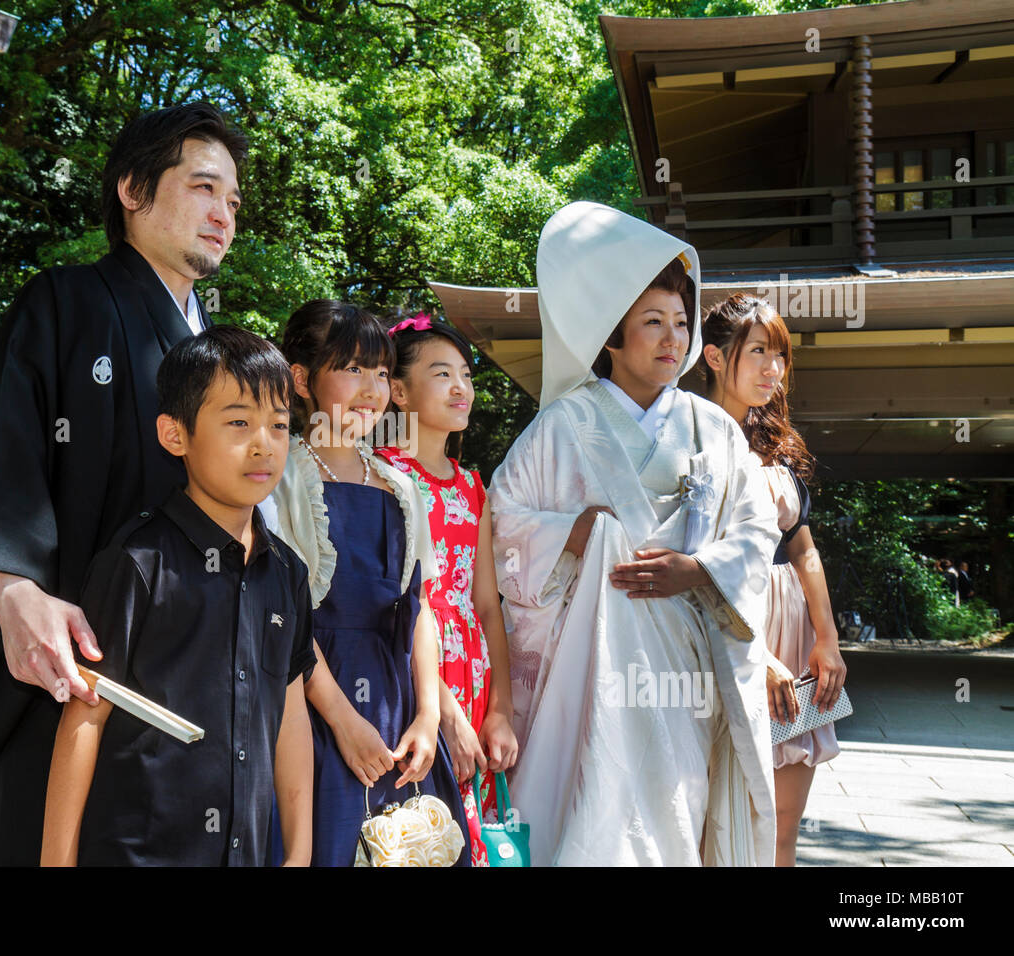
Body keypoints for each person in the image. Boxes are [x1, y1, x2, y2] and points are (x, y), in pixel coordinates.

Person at [0, 103, 248, 865]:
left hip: (200, 677)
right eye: (203, 188)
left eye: (232, 199)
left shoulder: (220, 355)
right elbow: (7, 447)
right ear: (132, 188)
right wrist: (10, 586)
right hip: (75, 674)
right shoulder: (64, 302)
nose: (223, 213)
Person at [489, 201, 781, 866]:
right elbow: (505, 520)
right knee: (599, 801)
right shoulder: (564, 426)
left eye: (680, 323)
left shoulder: (715, 430)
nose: (672, 338)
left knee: (676, 815)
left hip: (689, 669)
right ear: (611, 336)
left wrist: (700, 570)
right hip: (592, 672)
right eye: (652, 322)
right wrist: (575, 531)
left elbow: (754, 532)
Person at [40, 327, 314, 866]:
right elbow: (86, 713)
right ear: (175, 434)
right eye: (238, 422)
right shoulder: (138, 562)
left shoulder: (287, 573)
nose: (263, 443)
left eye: (279, 425)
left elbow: (291, 716)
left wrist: (299, 853)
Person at [267, 300, 471, 866]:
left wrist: (429, 714)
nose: (372, 389)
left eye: (381, 372)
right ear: (301, 379)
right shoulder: (279, 478)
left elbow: (420, 608)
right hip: (309, 704)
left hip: (397, 707)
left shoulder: (400, 486)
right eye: (352, 368)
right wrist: (341, 719)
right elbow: (280, 617)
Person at [700, 292, 848, 867]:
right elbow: (698, 563)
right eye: (758, 351)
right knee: (718, 811)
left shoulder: (771, 445)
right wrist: (756, 654)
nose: (773, 368)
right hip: (730, 636)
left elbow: (805, 552)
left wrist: (828, 638)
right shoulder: (691, 440)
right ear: (714, 357)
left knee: (784, 826)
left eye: (780, 355)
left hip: (792, 633)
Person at [374, 313, 519, 867]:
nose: (461, 387)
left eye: (465, 373)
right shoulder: (380, 476)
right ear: (399, 392)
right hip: (412, 674)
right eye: (441, 374)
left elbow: (487, 605)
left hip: (474, 675)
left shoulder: (471, 484)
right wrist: (447, 714)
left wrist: (500, 710)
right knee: (417, 832)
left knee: (473, 833)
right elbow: (397, 606)